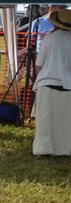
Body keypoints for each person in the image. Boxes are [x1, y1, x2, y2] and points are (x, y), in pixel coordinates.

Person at [33, 8, 71, 156]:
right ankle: (65, 149)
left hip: (47, 82)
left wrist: (38, 80)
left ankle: (44, 150)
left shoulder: (49, 39)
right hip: (68, 85)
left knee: (45, 121)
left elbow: (39, 64)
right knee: (65, 120)